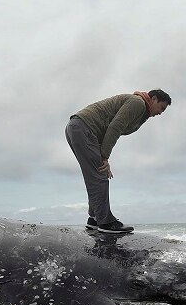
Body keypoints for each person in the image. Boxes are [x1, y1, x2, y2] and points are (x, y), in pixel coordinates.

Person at [65, 89, 172, 234]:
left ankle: (95, 219)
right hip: (83, 128)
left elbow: (109, 127)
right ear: (153, 99)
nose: (161, 113)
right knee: (99, 176)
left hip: (78, 128)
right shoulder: (138, 103)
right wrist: (104, 157)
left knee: (96, 175)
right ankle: (106, 222)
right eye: (162, 108)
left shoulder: (141, 109)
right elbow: (115, 127)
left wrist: (102, 156)